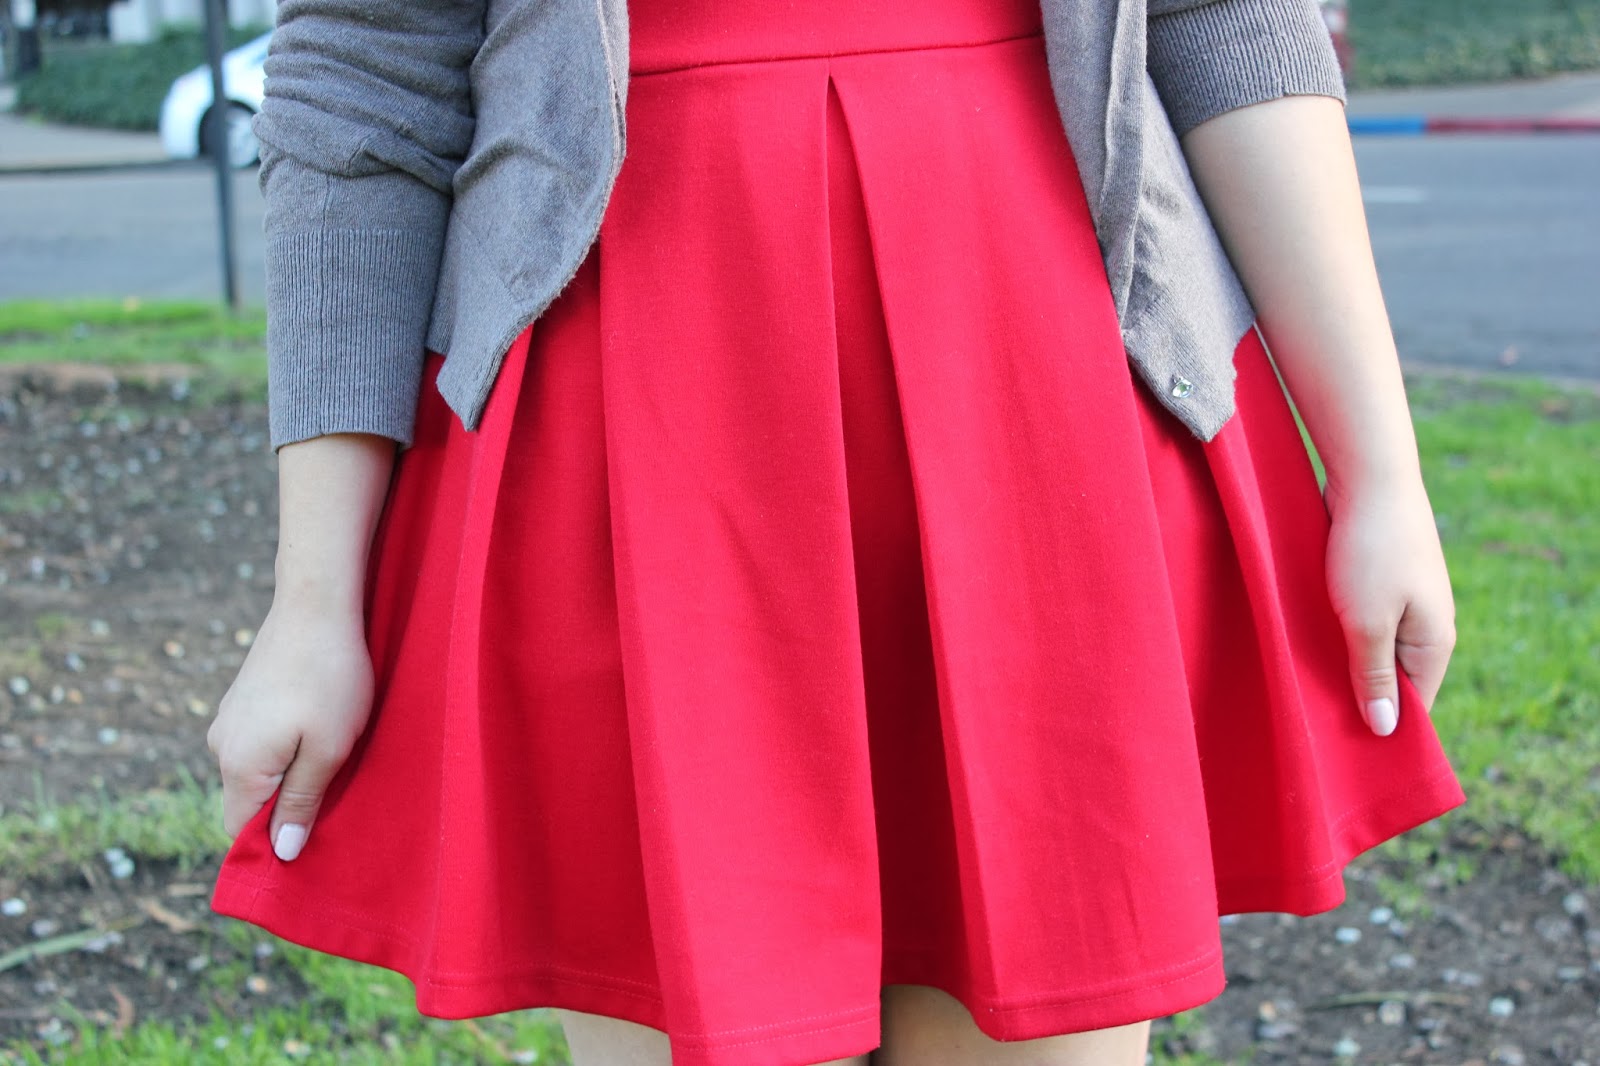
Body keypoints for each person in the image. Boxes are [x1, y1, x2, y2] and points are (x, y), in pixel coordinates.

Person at [204, 0, 1468, 1063]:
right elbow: (369, 79)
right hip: (631, 428)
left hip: (1044, 402)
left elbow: (1228, 18)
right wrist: (313, 606)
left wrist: (1379, 472)